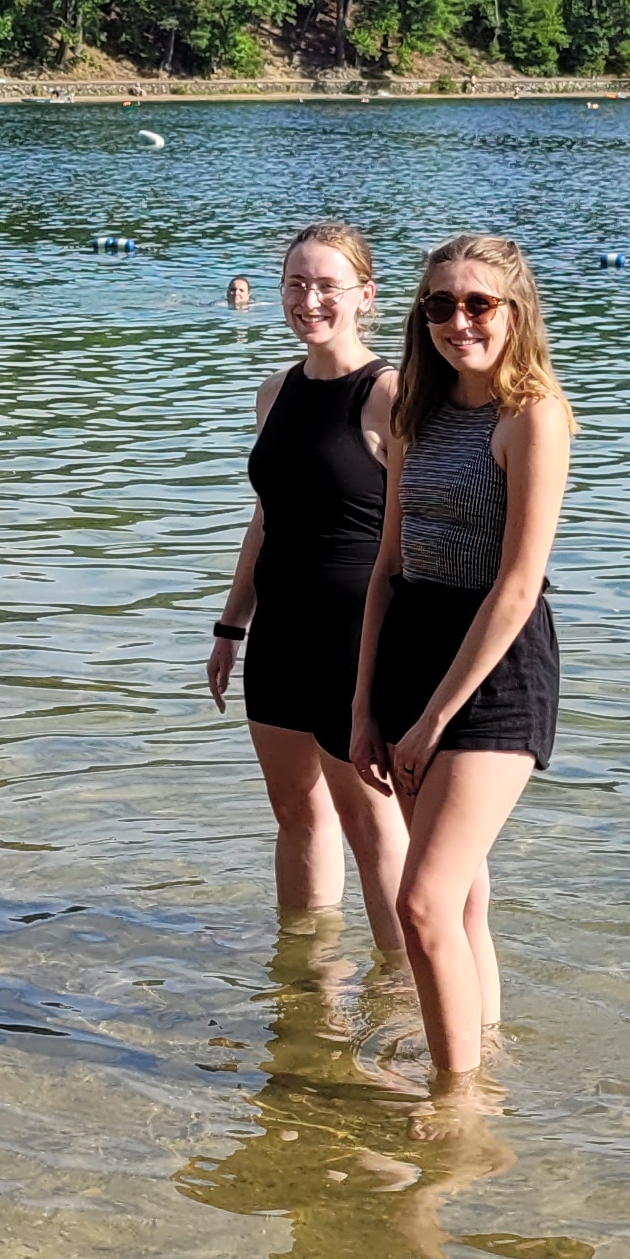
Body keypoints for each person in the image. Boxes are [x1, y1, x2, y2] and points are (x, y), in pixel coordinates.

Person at [351, 235, 573, 1083]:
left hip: (495, 669)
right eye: (439, 305)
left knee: (421, 901)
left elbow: (516, 586)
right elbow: (388, 565)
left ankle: (457, 1104)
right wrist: (364, 708)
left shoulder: (532, 417)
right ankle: (480, 1058)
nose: (458, 322)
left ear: (515, 311)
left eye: (478, 304)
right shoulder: (418, 412)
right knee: (462, 896)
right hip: (411, 650)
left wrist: (434, 719)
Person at [210, 223, 410, 925]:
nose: (310, 299)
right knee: (296, 814)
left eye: (328, 285)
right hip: (280, 636)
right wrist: (231, 625)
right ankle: (307, 973)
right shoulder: (274, 392)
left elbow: (413, 534)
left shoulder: (390, 395)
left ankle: (397, 981)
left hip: (358, 639)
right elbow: (266, 519)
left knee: (372, 827)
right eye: (296, 284)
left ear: (365, 296)